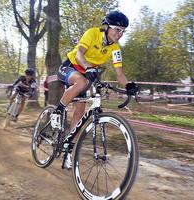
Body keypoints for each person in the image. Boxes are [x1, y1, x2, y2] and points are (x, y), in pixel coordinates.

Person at [51, 11, 139, 168]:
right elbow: (79, 53)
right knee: (82, 81)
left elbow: (119, 73)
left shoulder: (115, 49)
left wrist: (128, 85)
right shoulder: (92, 33)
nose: (120, 34)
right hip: (71, 66)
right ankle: (57, 112)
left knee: (79, 112)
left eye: (123, 31)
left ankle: (68, 151)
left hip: (87, 74)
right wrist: (87, 67)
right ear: (107, 27)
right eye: (117, 30)